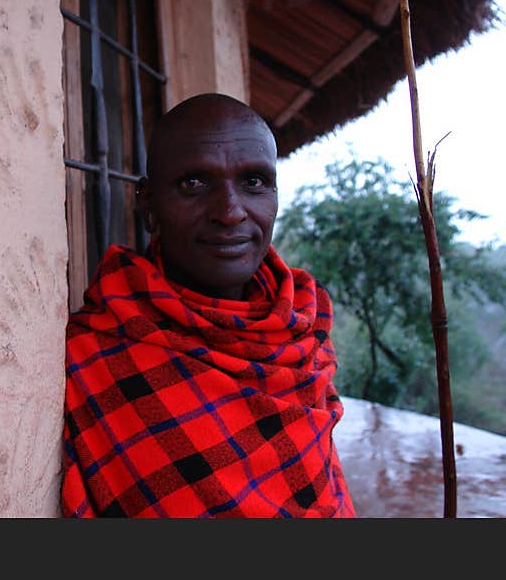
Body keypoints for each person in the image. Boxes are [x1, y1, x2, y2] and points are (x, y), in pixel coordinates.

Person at [61, 93, 355, 517]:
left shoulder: (304, 327)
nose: (231, 212)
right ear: (149, 205)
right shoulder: (100, 354)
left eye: (254, 181)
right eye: (194, 183)